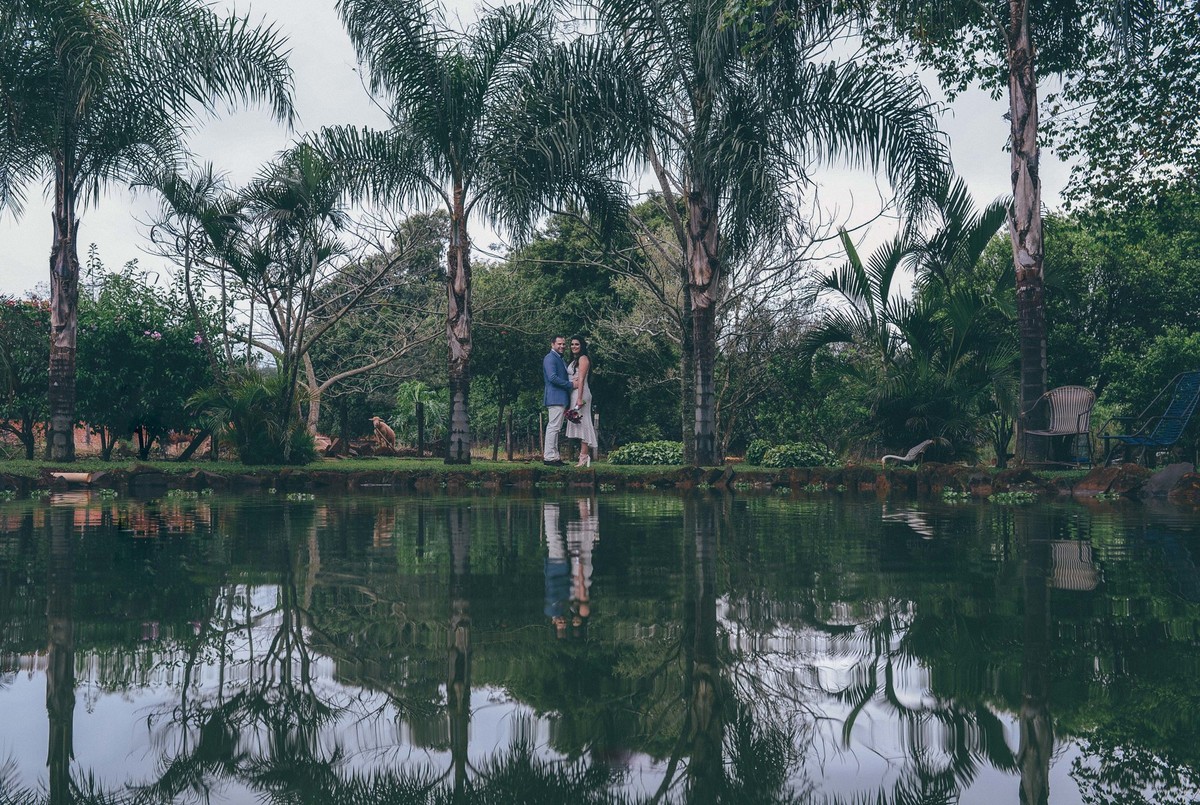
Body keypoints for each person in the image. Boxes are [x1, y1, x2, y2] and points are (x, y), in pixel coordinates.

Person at [566, 335, 598, 467]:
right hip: (574, 393)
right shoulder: (574, 360)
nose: (574, 346)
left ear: (582, 346)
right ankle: (583, 456)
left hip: (582, 394)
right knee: (578, 423)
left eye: (577, 344)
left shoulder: (583, 359)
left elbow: (582, 381)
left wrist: (579, 398)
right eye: (572, 344)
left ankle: (584, 456)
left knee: (583, 422)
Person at [542, 335, 572, 465]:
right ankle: (549, 457)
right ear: (552, 344)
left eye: (564, 344)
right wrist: (571, 385)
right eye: (559, 344)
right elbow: (552, 377)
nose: (562, 346)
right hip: (555, 397)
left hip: (560, 397)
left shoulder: (559, 359)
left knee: (556, 428)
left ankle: (555, 456)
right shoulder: (550, 358)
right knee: (553, 427)